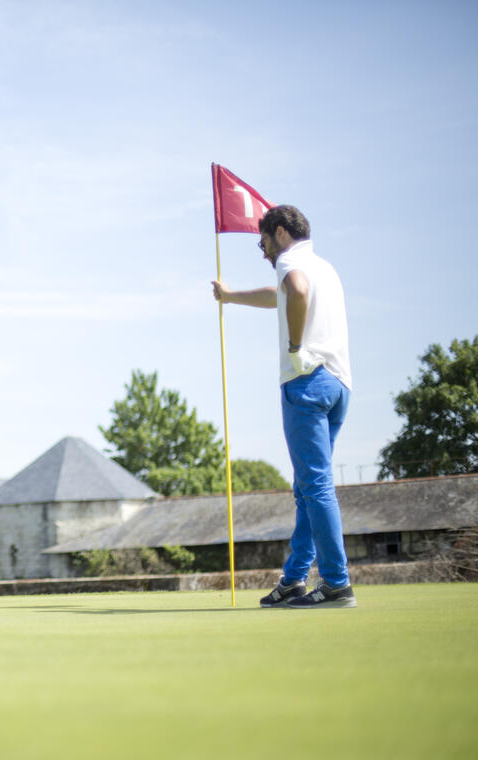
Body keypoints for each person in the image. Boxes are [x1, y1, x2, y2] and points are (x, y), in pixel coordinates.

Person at [211, 205, 357, 609]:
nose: (262, 251)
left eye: (262, 242)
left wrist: (295, 348)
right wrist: (230, 297)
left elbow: (296, 289)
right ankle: (294, 581)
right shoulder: (324, 266)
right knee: (307, 488)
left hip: (306, 380)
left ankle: (336, 583)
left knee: (314, 485)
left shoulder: (290, 262)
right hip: (339, 383)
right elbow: (283, 294)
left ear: (279, 232)